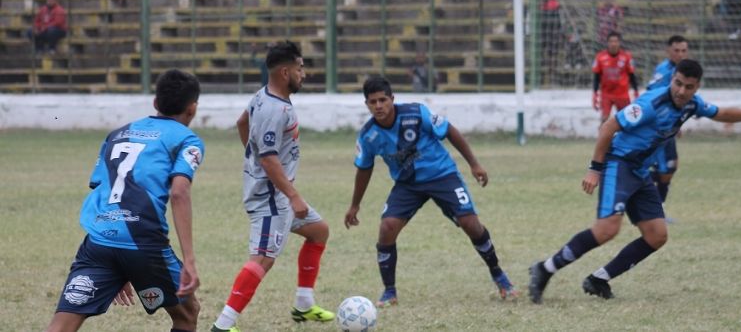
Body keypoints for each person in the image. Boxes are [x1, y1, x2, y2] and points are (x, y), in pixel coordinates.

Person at [528, 59, 741, 304]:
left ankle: (598, 279)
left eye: (689, 87)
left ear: (697, 87)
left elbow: (721, 113)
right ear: (672, 79)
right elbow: (608, 127)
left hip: (639, 171)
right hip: (618, 165)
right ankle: (545, 268)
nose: (682, 91)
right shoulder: (652, 103)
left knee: (657, 235)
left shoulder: (692, 104)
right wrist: (595, 168)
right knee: (607, 230)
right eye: (678, 83)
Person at [46, 69, 204, 332]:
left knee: (62, 324)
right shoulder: (187, 140)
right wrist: (189, 259)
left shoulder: (118, 133)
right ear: (192, 108)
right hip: (143, 242)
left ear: (155, 103)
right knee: (187, 313)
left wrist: (122, 266)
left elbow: (101, 187)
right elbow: (179, 192)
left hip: (98, 241)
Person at [345, 76, 519, 308]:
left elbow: (450, 131)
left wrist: (474, 164)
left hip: (442, 176)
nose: (378, 106)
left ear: (392, 99)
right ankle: (389, 292)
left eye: (383, 100)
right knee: (387, 228)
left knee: (471, 224)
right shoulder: (368, 135)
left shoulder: (417, 113)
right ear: (366, 104)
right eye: (373, 102)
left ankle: (499, 275)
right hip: (408, 185)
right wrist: (355, 205)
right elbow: (364, 169)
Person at [211, 41, 334, 332]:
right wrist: (293, 196)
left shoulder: (261, 97)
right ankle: (222, 325)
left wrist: (254, 157)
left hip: (278, 194)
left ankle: (303, 305)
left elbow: (242, 123)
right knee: (263, 258)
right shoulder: (274, 110)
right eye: (300, 68)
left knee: (319, 231)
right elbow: (268, 159)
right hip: (271, 197)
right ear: (284, 71)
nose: (304, 74)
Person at [646, 34, 689, 204]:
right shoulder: (664, 71)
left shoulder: (684, 72)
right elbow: (650, 96)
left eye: (684, 50)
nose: (680, 54)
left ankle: (656, 207)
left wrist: (676, 123)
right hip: (659, 129)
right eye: (676, 50)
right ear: (668, 51)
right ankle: (655, 209)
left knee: (670, 167)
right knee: (666, 169)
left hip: (668, 128)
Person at [592, 32, 638, 124]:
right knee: (604, 119)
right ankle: (603, 138)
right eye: (611, 41)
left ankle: (625, 138)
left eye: (616, 41)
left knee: (626, 120)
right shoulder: (600, 57)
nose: (613, 44)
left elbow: (632, 75)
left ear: (619, 43)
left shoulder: (626, 57)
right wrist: (595, 94)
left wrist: (636, 91)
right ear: (607, 43)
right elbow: (596, 76)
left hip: (622, 94)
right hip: (606, 94)